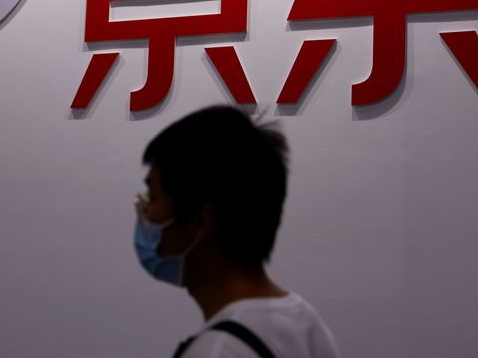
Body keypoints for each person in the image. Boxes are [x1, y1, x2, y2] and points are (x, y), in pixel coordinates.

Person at [133, 105, 341, 358]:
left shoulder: (215, 352)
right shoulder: (305, 321)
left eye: (153, 198)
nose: (147, 215)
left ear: (202, 221)